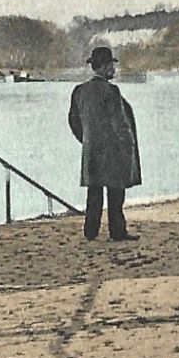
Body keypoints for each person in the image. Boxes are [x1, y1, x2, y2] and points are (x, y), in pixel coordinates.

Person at [68, 45, 143, 241]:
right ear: (102, 67)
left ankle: (90, 232)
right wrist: (128, 148)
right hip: (114, 151)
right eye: (110, 65)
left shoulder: (79, 91)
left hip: (91, 151)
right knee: (116, 194)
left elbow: (73, 121)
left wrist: (86, 140)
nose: (113, 69)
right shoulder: (111, 91)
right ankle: (117, 232)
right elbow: (121, 124)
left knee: (94, 193)